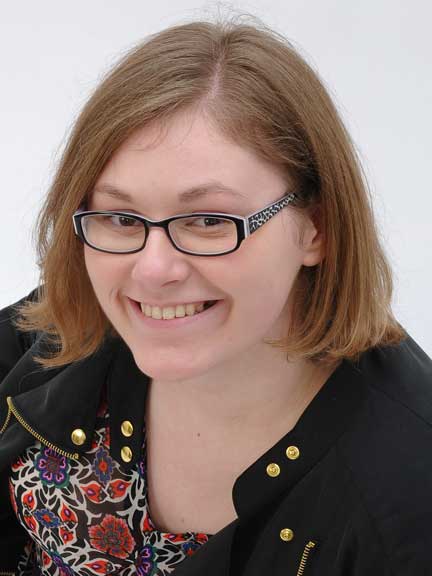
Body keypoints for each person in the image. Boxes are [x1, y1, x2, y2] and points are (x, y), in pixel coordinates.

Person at [0, 17, 431, 576]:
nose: (153, 271)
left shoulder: (410, 498)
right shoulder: (67, 327)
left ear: (316, 228)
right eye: (122, 217)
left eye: (208, 220)